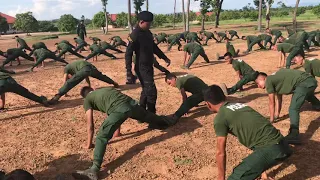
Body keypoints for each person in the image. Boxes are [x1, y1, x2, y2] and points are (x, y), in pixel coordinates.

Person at [72, 86, 175, 180]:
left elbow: (90, 124)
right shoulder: (105, 90)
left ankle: (93, 169)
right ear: (93, 89)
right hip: (131, 104)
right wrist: (117, 133)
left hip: (119, 109)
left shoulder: (87, 101)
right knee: (147, 116)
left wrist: (89, 144)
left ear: (84, 97)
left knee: (101, 136)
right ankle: (167, 121)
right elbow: (115, 106)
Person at [203, 85, 292, 180]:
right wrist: (264, 174)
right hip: (284, 144)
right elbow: (258, 134)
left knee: (236, 177)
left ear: (208, 104)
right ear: (224, 97)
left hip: (272, 149)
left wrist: (221, 178)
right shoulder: (240, 106)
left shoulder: (220, 117)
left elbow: (220, 152)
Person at [255, 69, 320, 144]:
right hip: (309, 80)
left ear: (263, 79)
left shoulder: (268, 80)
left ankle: (294, 134)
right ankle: (318, 105)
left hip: (305, 83)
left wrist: (271, 120)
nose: (258, 86)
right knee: (304, 93)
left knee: (293, 109)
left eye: (258, 83)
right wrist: (276, 115)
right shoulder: (274, 79)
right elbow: (279, 100)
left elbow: (271, 102)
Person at [125, 11, 171, 113]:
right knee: (151, 92)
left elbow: (154, 47)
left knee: (146, 90)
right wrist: (128, 71)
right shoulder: (134, 35)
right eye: (148, 24)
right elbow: (128, 53)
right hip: (141, 67)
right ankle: (151, 116)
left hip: (149, 66)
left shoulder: (148, 33)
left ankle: (141, 113)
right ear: (141, 22)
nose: (149, 26)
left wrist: (164, 57)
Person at [48, 60, 119, 104]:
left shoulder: (66, 68)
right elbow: (86, 75)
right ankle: (114, 83)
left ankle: (57, 97)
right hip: (91, 67)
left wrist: (64, 92)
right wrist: (89, 86)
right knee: (101, 76)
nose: (71, 77)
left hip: (85, 68)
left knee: (70, 82)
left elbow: (66, 81)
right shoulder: (75, 66)